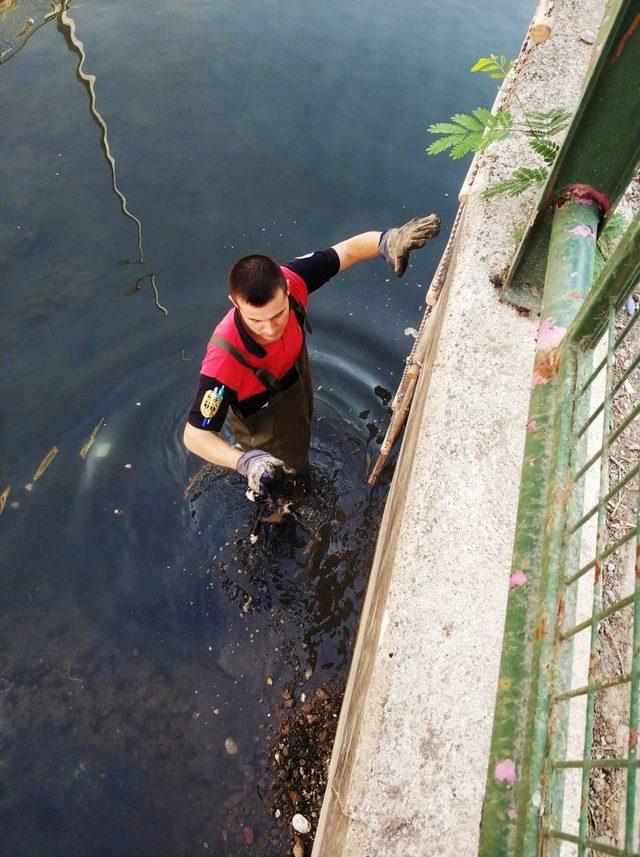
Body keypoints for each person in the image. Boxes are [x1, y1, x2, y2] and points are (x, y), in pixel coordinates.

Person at [183, 215, 440, 498]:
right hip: (264, 421)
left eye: (278, 314)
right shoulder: (224, 360)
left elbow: (348, 251)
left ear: (288, 290)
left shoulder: (295, 278)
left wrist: (386, 241)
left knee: (302, 436)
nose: (270, 329)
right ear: (235, 304)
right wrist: (247, 462)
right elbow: (195, 436)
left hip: (295, 381)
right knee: (285, 487)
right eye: (256, 321)